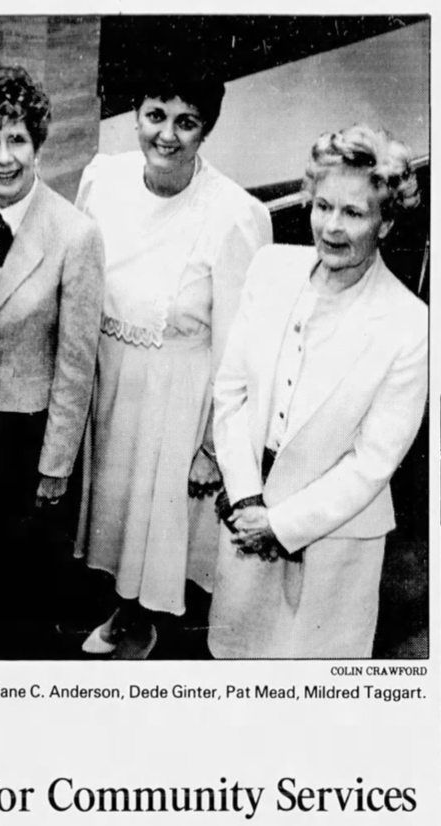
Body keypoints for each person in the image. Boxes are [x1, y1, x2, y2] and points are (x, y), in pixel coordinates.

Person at [73, 74, 272, 658]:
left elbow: (241, 344)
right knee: (113, 523)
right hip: (108, 383)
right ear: (135, 113)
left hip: (178, 397)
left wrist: (214, 445)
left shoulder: (235, 214)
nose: (167, 134)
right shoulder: (102, 179)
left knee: (158, 533)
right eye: (155, 114)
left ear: (205, 128)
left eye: (186, 122)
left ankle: (141, 623)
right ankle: (120, 604)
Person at [208, 125, 427, 659]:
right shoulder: (270, 268)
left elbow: (371, 464)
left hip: (333, 538)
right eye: (323, 205)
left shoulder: (410, 325)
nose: (331, 226)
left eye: (353, 213)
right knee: (235, 663)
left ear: (387, 221)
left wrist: (279, 525)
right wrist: (247, 499)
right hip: (246, 516)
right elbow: (231, 393)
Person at [0, 65, 105, 644]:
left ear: (38, 145)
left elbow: (76, 366)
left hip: (29, 434)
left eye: (17, 140)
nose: (4, 157)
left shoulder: (74, 234)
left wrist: (55, 466)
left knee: (26, 581)